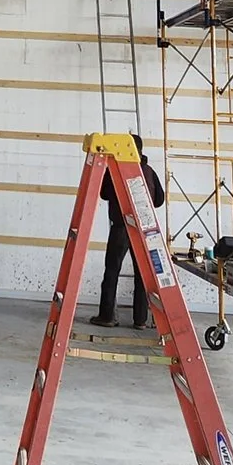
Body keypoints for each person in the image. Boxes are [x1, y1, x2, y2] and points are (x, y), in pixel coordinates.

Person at [91, 134, 165, 328]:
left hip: (121, 228)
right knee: (142, 274)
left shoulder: (115, 170)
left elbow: (104, 194)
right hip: (143, 229)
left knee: (112, 271)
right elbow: (159, 200)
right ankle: (140, 320)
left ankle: (107, 316)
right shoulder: (148, 171)